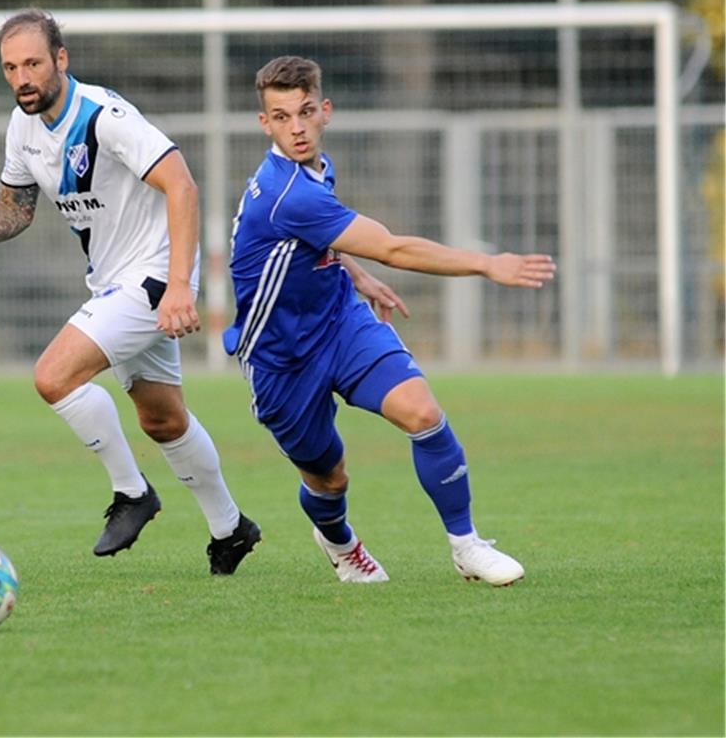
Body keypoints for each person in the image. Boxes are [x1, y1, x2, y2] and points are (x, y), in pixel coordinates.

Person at [0, 9, 260, 574]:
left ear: (61, 59)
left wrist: (182, 286)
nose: (22, 78)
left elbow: (181, 183)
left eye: (33, 63)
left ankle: (132, 493)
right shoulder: (23, 126)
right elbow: (15, 207)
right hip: (115, 281)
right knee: (163, 420)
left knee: (53, 376)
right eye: (11, 67)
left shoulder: (105, 117)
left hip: (153, 277)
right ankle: (230, 529)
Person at [225, 55, 556, 586]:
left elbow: (319, 240)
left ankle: (467, 545)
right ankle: (339, 542)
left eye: (305, 112)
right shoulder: (287, 193)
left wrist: (355, 276)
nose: (297, 127)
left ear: (325, 110)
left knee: (421, 412)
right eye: (282, 117)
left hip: (340, 322)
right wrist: (487, 263)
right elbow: (395, 248)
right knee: (328, 478)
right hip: (280, 359)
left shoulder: (314, 171)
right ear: (265, 124)